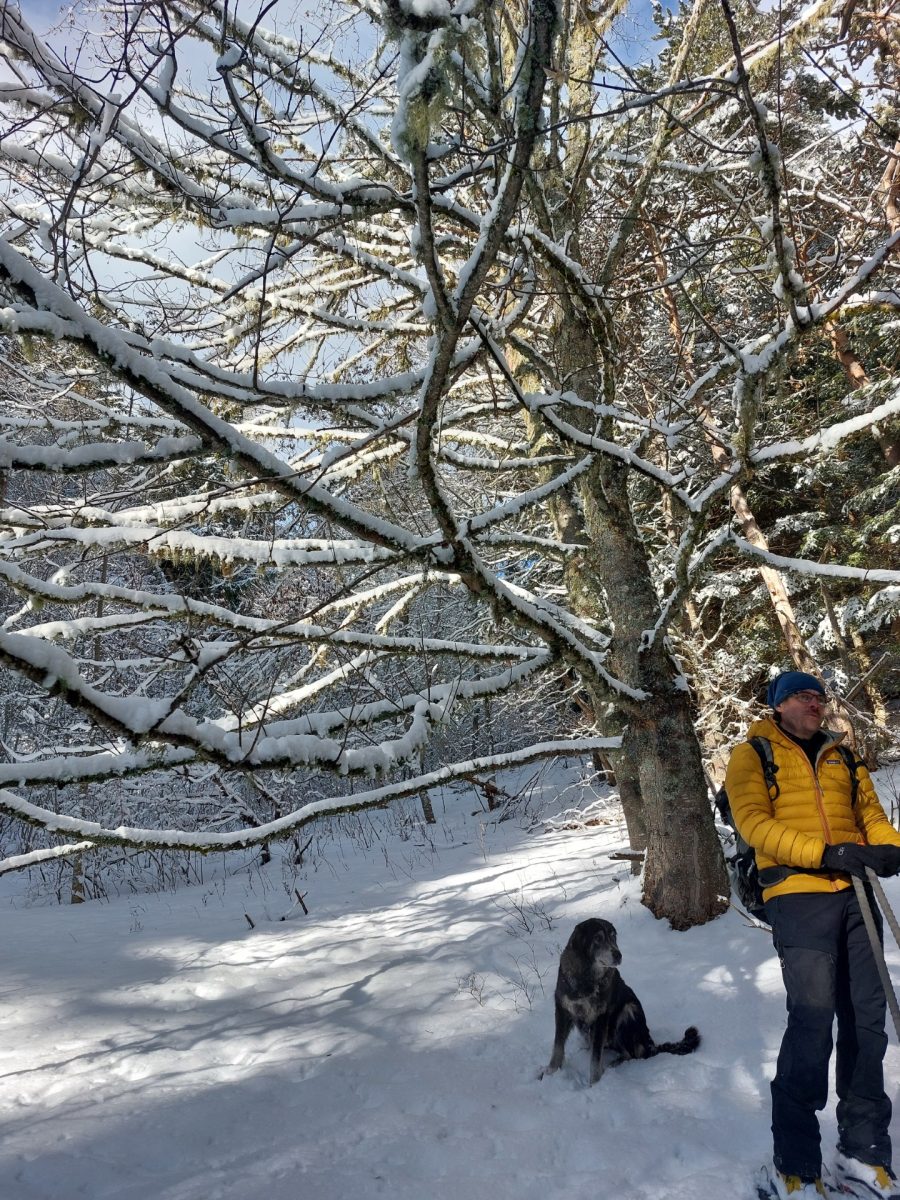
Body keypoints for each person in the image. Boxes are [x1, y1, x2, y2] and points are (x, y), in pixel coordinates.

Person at [725, 670, 900, 1200]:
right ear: (779, 705)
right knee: (813, 1021)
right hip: (798, 895)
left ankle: (863, 1152)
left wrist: (888, 847)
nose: (815, 703)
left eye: (820, 697)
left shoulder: (843, 755)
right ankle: (795, 1164)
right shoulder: (752, 755)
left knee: (867, 1021)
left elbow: (870, 813)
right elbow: (754, 824)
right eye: (803, 696)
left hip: (856, 893)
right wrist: (824, 853)